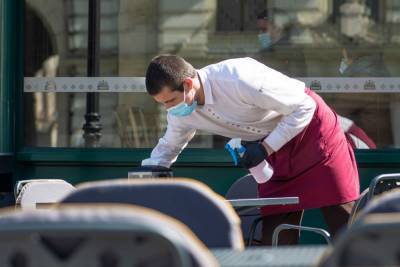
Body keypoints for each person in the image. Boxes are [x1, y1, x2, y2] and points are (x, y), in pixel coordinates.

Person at [142, 55, 360, 245]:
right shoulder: (181, 112)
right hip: (271, 150)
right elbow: (169, 146)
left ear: (188, 84)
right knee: (275, 239)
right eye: (163, 104)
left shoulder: (237, 77)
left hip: (312, 133)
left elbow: (304, 107)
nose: (169, 109)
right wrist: (149, 172)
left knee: (343, 225)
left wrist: (266, 147)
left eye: (171, 100)